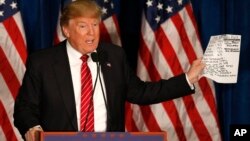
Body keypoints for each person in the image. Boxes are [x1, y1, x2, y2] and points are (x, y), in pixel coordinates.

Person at [14, 0, 205, 141]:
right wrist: (33, 128)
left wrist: (188, 78)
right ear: (66, 30)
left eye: (95, 25)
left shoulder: (113, 56)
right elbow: (24, 108)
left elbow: (142, 93)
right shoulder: (43, 62)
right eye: (83, 26)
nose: (91, 32)